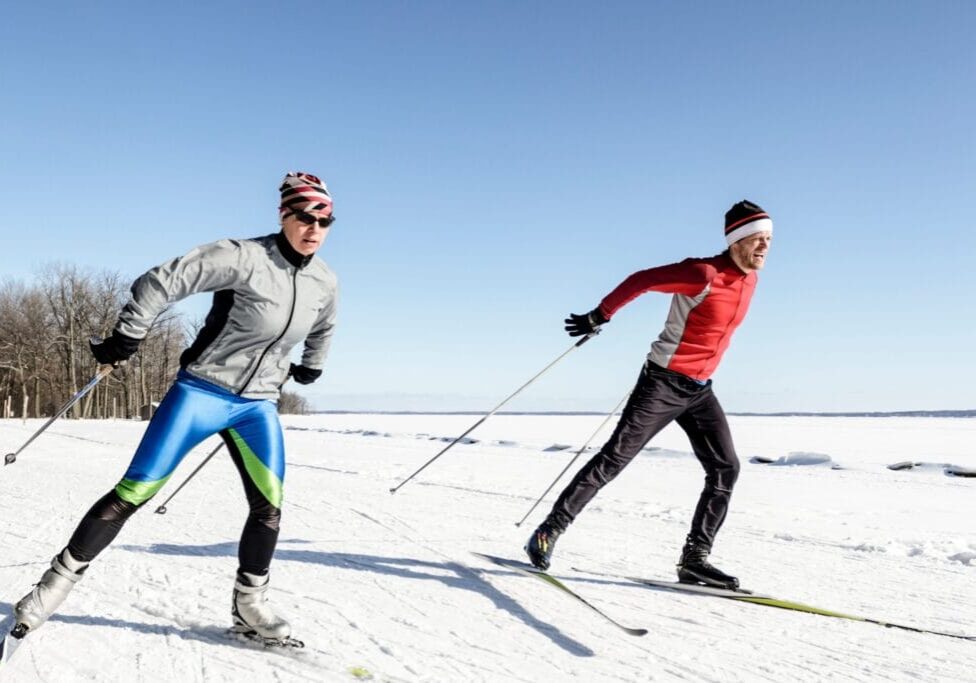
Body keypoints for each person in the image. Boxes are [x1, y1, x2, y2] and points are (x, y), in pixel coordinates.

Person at [11, 172, 339, 643]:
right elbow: (162, 280)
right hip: (202, 394)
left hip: (257, 406)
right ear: (284, 215)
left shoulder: (324, 280)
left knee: (269, 509)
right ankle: (48, 590)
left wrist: (313, 364)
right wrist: (131, 332)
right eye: (306, 217)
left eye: (325, 221)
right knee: (132, 494)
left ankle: (250, 607)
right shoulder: (243, 257)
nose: (315, 229)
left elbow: (324, 325)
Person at [525, 200, 773, 589]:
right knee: (614, 459)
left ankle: (695, 559)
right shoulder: (702, 273)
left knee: (726, 468)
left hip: (700, 390)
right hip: (662, 383)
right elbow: (642, 279)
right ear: (736, 240)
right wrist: (599, 315)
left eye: (769, 240)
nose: (764, 247)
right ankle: (548, 531)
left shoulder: (751, 280)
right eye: (757, 239)